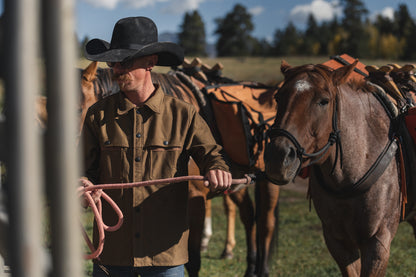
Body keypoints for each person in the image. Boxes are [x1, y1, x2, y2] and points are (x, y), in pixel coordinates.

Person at [81, 16, 232, 277]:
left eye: (125, 61)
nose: (117, 69)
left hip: (165, 255)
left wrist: (218, 169)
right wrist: (82, 185)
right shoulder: (97, 116)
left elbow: (212, 156)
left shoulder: (184, 115)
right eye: (113, 62)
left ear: (151, 63)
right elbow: (84, 170)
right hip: (113, 254)